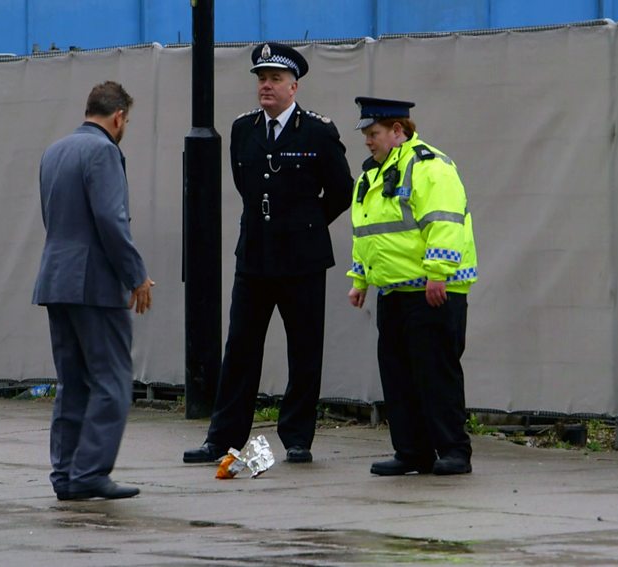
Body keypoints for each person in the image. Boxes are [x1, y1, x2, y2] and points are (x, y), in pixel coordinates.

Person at [183, 43, 354, 464]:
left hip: (303, 259)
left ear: (293, 87)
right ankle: (223, 437)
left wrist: (306, 223)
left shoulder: (317, 130)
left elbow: (341, 190)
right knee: (240, 347)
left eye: (275, 79)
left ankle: (297, 437)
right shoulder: (243, 129)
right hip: (256, 256)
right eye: (261, 79)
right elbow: (245, 186)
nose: (266, 86)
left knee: (304, 349)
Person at [32, 81, 155, 500]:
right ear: (118, 117)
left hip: (56, 279)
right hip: (94, 285)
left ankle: (66, 474)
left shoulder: (55, 150)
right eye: (127, 121)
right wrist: (136, 275)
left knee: (73, 382)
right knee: (112, 380)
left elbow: (57, 218)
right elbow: (110, 220)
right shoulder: (103, 152)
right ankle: (89, 474)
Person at [346, 97, 478, 476]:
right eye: (367, 135)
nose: (368, 141)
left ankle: (453, 450)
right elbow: (366, 232)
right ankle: (412, 451)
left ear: (398, 131)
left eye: (374, 134)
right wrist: (361, 280)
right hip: (395, 291)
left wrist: (438, 272)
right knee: (399, 376)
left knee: (436, 374)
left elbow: (444, 220)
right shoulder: (373, 173)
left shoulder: (428, 166)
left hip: (432, 290)